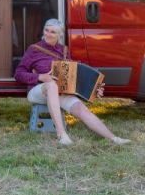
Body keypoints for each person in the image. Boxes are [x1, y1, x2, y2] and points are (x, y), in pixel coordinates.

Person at [14, 18, 131, 146]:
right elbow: (18, 74)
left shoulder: (64, 51)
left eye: (52, 32)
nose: (48, 34)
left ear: (59, 35)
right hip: (38, 91)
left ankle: (114, 138)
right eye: (46, 30)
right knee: (52, 85)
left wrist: (94, 88)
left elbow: (72, 76)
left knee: (81, 108)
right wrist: (41, 77)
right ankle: (62, 135)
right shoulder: (34, 49)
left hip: (60, 92)